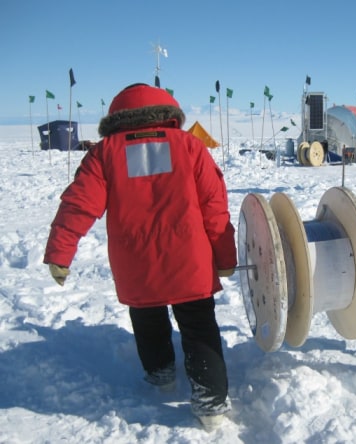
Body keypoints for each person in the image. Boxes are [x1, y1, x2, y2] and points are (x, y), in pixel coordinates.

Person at [44, 83, 237, 429]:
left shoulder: (104, 154)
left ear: (117, 117)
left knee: (147, 319)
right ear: (169, 114)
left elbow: (78, 204)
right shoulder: (190, 146)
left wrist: (61, 251)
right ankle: (211, 404)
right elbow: (214, 207)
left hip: (135, 262)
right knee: (198, 326)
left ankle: (160, 375)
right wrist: (225, 257)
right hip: (188, 260)